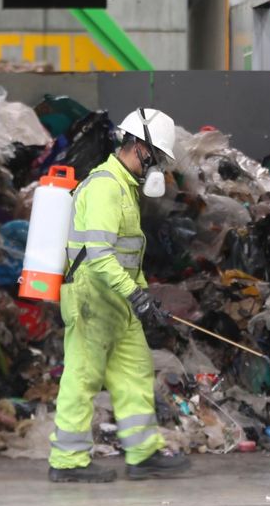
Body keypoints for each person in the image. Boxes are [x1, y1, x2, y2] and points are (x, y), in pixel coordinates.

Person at [48, 108, 192, 483]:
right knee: (82, 378)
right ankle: (67, 461)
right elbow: (99, 256)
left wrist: (144, 299)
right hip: (91, 299)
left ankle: (142, 454)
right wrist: (136, 296)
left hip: (118, 302)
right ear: (140, 147)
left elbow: (128, 256)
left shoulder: (125, 188)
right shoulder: (104, 186)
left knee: (135, 374)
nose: (157, 165)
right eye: (156, 156)